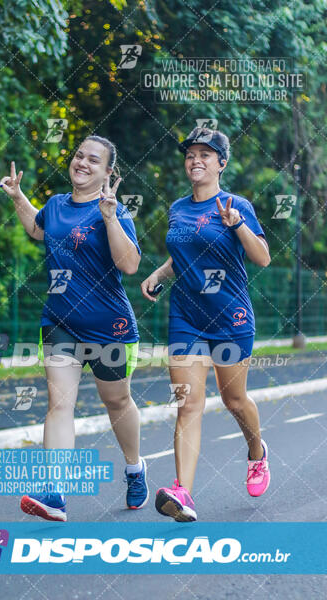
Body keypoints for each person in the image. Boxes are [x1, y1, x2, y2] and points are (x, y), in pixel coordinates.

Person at [0, 136, 149, 522]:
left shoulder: (112, 211)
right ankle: (55, 493)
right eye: (79, 154)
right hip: (60, 322)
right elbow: (38, 229)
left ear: (107, 172)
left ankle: (134, 468)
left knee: (116, 402)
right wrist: (17, 196)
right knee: (59, 405)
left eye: (93, 160)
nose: (82, 162)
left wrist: (111, 217)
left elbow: (129, 265)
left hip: (109, 326)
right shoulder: (56, 205)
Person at [141, 126, 271, 522]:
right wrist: (160, 275)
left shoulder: (237, 204)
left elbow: (262, 257)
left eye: (205, 154)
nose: (195, 160)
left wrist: (236, 225)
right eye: (190, 154)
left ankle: (256, 452)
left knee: (234, 400)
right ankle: (183, 493)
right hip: (186, 317)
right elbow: (182, 257)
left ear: (221, 163)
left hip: (230, 317)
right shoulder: (178, 208)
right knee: (188, 404)